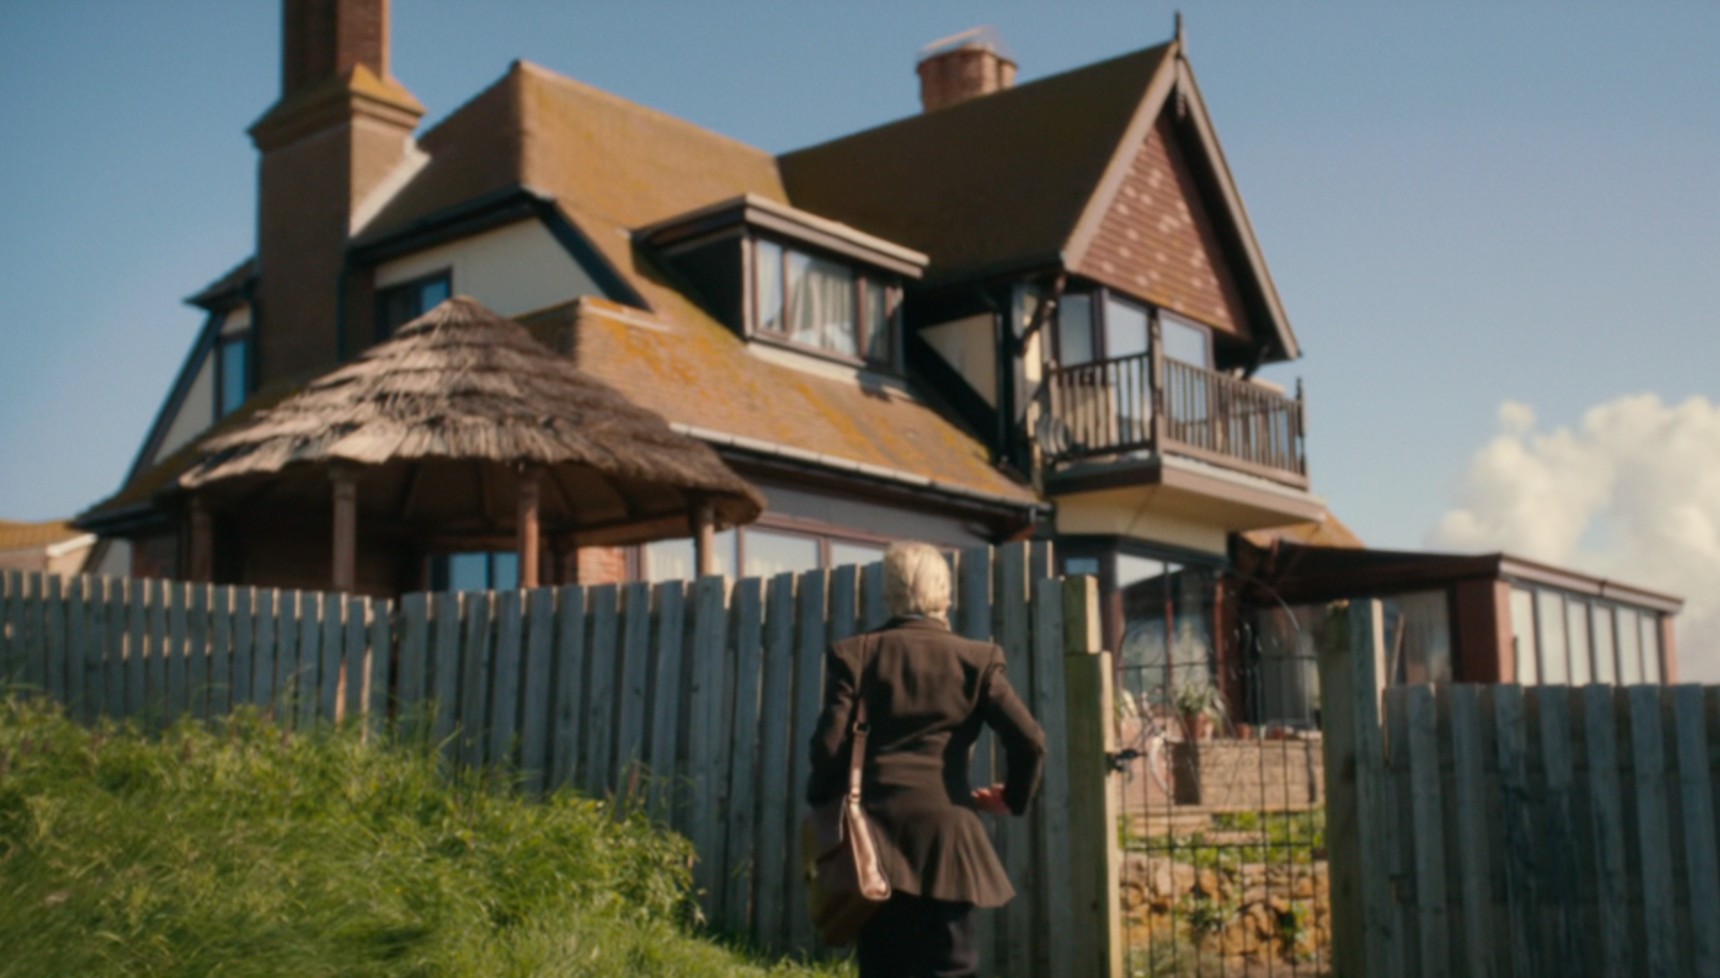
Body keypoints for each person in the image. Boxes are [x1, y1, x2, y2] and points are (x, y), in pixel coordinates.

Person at [807, 541, 1047, 978]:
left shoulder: (855, 654)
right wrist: (1013, 798)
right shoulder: (977, 659)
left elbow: (828, 748)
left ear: (891, 594)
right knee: (952, 969)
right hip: (947, 842)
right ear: (944, 595)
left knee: (884, 969)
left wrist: (824, 804)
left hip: (873, 842)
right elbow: (1030, 740)